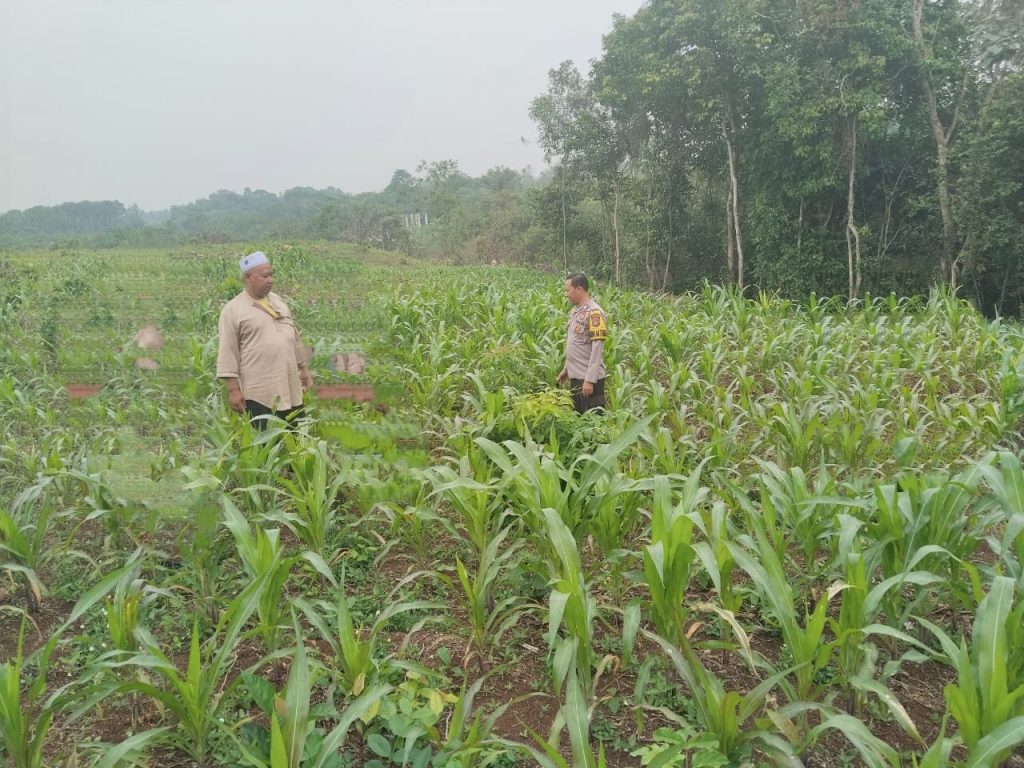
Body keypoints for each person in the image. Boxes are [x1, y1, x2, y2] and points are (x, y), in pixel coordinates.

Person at [217, 251, 313, 427]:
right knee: (268, 440)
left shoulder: (278, 301)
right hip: (260, 393)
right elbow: (227, 351)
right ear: (248, 277)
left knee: (297, 437)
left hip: (290, 386)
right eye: (264, 276)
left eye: (271, 275)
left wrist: (303, 368)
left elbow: (293, 337)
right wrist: (233, 390)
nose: (270, 280)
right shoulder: (233, 310)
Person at [556, 272, 608, 413]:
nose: (566, 294)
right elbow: (576, 344)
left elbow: (597, 349)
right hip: (576, 377)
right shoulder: (575, 311)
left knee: (593, 421)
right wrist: (566, 369)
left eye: (568, 290)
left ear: (579, 289)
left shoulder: (595, 313)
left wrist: (590, 380)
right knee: (578, 418)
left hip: (588, 380)